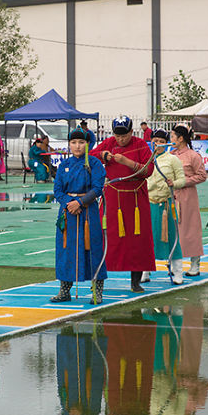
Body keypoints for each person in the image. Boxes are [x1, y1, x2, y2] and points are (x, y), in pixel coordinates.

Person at [89, 116, 155, 293]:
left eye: (124, 135)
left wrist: (127, 162)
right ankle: (99, 278)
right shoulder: (109, 142)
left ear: (131, 132)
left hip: (135, 199)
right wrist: (102, 155)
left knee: (138, 239)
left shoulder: (140, 144)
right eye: (118, 136)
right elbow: (90, 157)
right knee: (106, 236)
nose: (121, 139)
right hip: (113, 196)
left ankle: (136, 281)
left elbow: (148, 170)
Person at [51, 127, 108, 300]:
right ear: (69, 144)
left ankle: (97, 290)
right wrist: (69, 203)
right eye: (74, 142)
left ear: (88, 144)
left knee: (93, 248)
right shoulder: (64, 165)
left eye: (81, 142)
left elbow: (98, 188)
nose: (77, 146)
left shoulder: (95, 164)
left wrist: (81, 203)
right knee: (66, 249)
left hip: (88, 211)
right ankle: (64, 290)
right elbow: (57, 189)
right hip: (68, 213)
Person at [145, 129, 186, 283]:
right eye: (154, 140)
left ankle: (178, 273)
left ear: (166, 143)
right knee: (147, 239)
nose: (157, 144)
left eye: (161, 141)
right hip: (149, 203)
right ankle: (144, 272)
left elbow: (182, 180)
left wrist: (173, 183)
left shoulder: (172, 159)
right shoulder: (146, 159)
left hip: (167, 204)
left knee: (172, 237)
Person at [170, 125, 207, 276]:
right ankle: (174, 264)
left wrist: (183, 181)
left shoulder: (193, 156)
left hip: (187, 196)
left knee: (191, 228)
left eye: (173, 136)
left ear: (181, 138)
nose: (171, 139)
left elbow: (202, 175)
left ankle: (195, 264)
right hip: (172, 195)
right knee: (173, 229)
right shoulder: (170, 154)